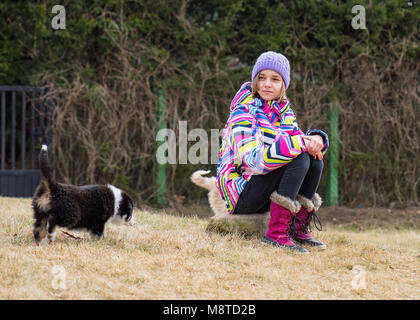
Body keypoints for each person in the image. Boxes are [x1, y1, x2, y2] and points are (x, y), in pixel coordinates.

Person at [216, 51, 329, 254]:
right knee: (299, 156)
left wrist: (317, 139)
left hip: (264, 189)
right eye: (261, 78)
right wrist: (301, 144)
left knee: (313, 159)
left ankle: (297, 227)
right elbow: (253, 162)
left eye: (275, 79)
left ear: (283, 85)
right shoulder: (242, 112)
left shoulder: (283, 111)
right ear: (254, 82)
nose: (267, 84)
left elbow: (298, 138)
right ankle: (276, 234)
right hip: (242, 194)